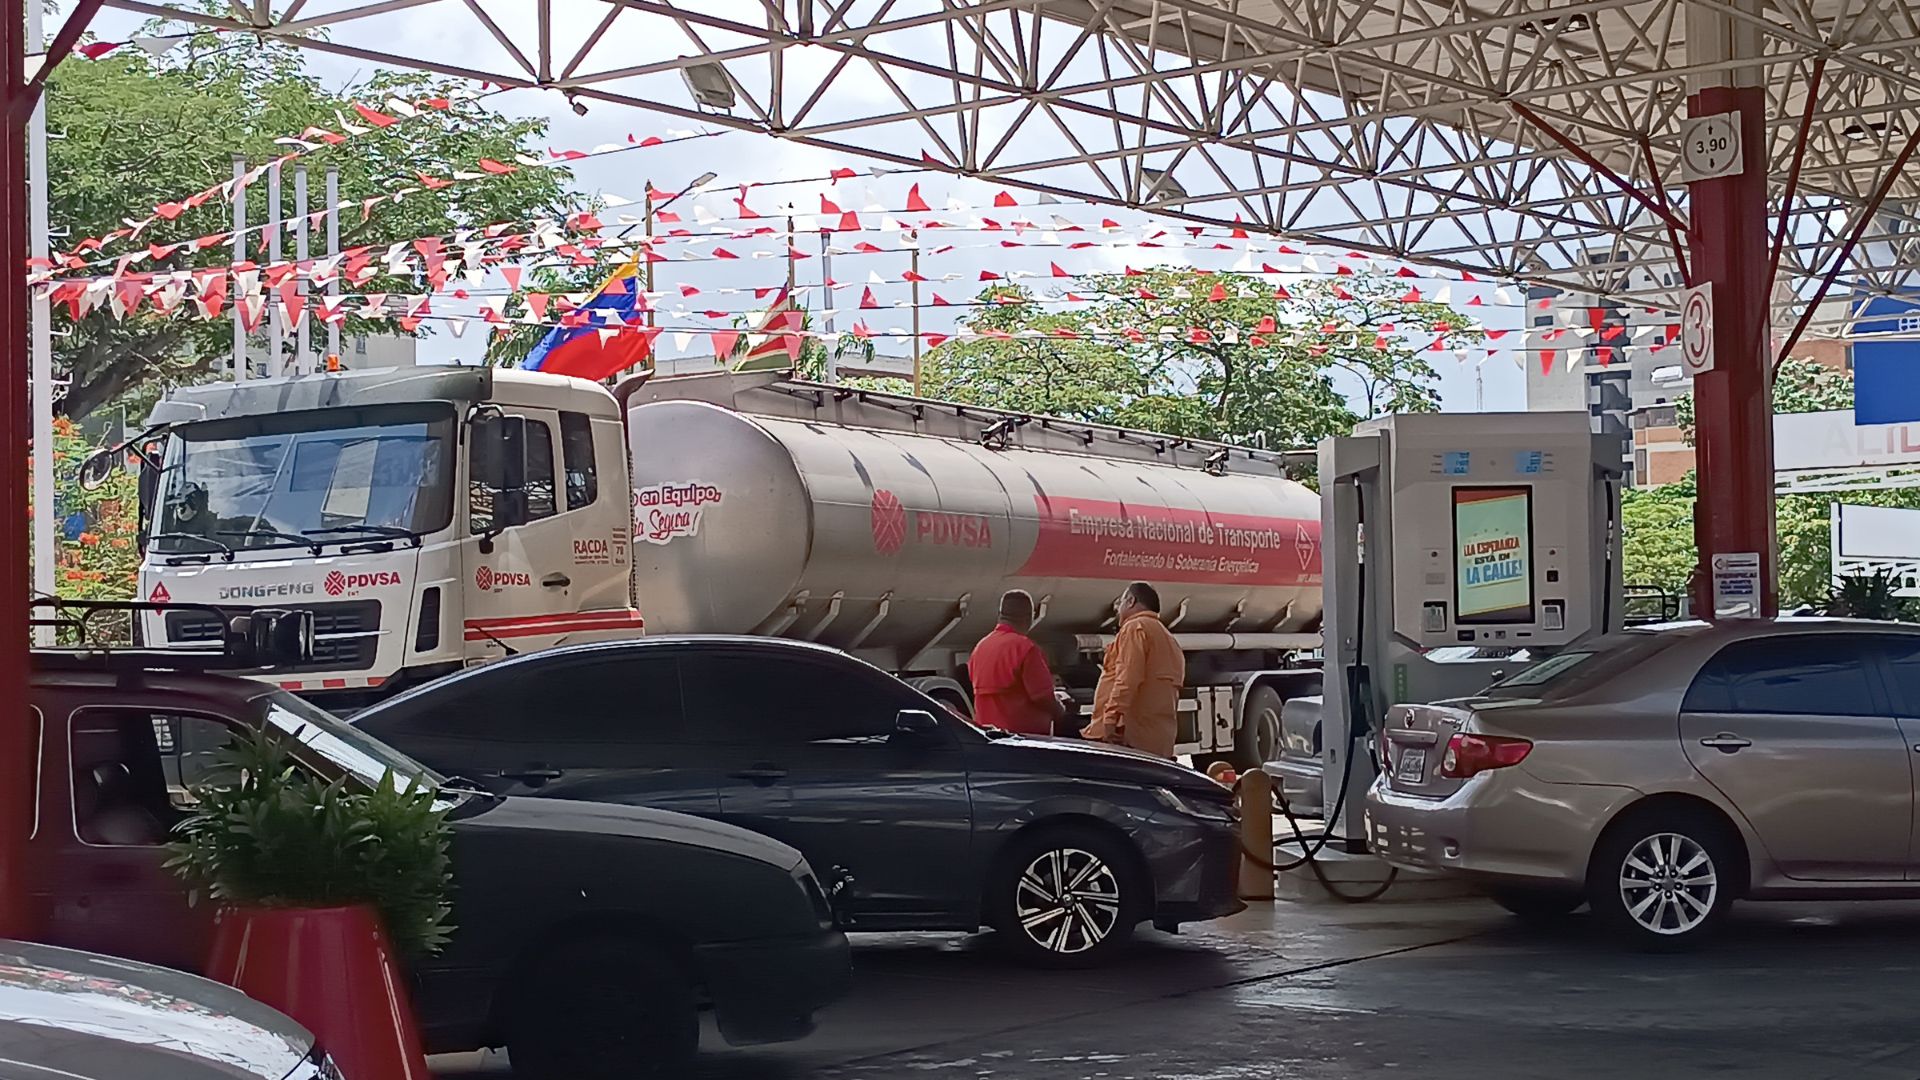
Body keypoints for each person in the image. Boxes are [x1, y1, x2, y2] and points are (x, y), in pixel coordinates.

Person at [1083, 582, 1184, 758]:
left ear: (1130, 601)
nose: (1117, 609)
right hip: (1156, 740)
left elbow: (1128, 678)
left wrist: (1110, 719)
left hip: (1129, 739)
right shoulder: (1168, 638)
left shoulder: (1134, 628)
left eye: (1120, 602)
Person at [968, 590, 1070, 736]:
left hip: (988, 737)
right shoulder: (1025, 648)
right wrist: (1061, 711)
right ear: (1029, 617)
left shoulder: (980, 647)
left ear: (1000, 615)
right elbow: (1042, 696)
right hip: (1024, 740)